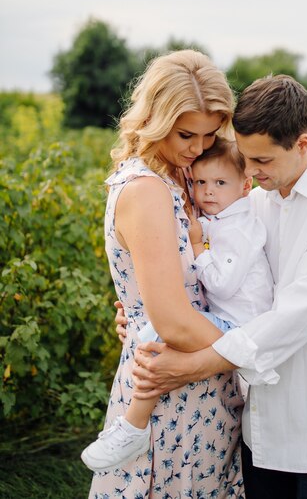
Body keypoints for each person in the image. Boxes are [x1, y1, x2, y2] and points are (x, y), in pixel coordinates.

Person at [128, 75, 307, 499]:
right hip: (260, 425)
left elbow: (298, 314)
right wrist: (147, 313)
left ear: (302, 144)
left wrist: (194, 364)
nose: (249, 171)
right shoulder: (253, 200)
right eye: (245, 158)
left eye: (262, 160)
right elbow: (222, 287)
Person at [86, 50, 245, 499]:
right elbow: (172, 321)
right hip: (171, 389)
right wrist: (255, 350)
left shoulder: (187, 177)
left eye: (210, 134)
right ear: (154, 119)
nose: (198, 147)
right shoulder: (146, 190)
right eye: (186, 134)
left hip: (201, 378)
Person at [82, 136, 274, 472]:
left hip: (238, 326)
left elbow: (221, 283)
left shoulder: (240, 226)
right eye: (201, 183)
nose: (207, 191)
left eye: (218, 183)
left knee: (161, 335)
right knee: (155, 332)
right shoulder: (210, 207)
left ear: (245, 187)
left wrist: (199, 247)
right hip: (216, 322)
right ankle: (132, 426)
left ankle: (133, 426)